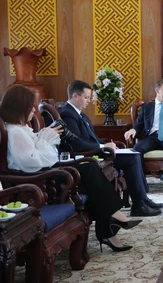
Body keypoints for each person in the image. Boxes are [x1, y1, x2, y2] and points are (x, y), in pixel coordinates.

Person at [0, 85, 142, 252]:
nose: (33, 110)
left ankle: (111, 226)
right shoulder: (16, 132)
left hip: (46, 173)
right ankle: (111, 225)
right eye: (29, 106)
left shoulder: (22, 129)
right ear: (19, 107)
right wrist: (45, 140)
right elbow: (32, 163)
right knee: (89, 170)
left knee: (89, 167)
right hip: (41, 180)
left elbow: (44, 154)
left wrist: (43, 139)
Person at [59, 80, 163, 217]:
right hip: (87, 155)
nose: (89, 101)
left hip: (96, 150)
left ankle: (142, 200)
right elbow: (77, 143)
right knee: (131, 158)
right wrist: (102, 147)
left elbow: (93, 138)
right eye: (86, 97)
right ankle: (139, 205)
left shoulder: (80, 114)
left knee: (134, 154)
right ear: (75, 96)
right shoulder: (68, 114)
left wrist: (108, 144)